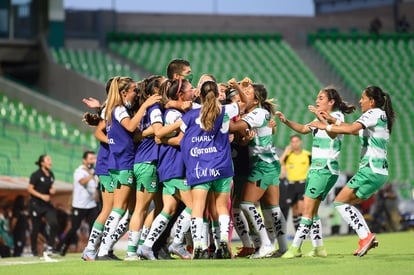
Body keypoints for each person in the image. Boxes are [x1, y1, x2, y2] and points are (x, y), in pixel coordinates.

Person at [308, 85, 395, 257]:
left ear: (372, 101)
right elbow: (354, 130)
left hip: (370, 168)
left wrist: (326, 126)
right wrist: (332, 120)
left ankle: (366, 236)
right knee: (346, 203)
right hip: (379, 170)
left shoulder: (372, 113)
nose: (360, 101)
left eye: (363, 98)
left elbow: (351, 129)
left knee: (340, 202)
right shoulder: (381, 116)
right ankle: (366, 237)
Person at [276, 87, 356, 258]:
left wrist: (321, 118)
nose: (317, 100)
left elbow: (333, 134)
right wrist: (286, 121)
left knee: (306, 209)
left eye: (321, 98)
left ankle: (295, 248)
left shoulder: (338, 117)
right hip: (318, 169)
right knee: (312, 211)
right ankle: (319, 248)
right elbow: (304, 129)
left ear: (331, 102)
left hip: (324, 168)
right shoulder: (319, 118)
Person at [177, 80, 246, 259]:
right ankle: (223, 240)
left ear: (200, 95)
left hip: (200, 167)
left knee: (198, 207)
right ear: (217, 95)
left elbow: (181, 139)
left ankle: (199, 243)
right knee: (222, 206)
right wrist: (238, 88)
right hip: (222, 165)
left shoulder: (190, 116)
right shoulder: (225, 111)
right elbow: (245, 102)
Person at [96, 76, 161, 260]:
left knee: (121, 209)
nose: (136, 93)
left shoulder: (110, 109)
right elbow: (131, 127)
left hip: (117, 163)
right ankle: (103, 250)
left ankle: (103, 249)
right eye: (134, 90)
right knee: (118, 209)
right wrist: (145, 105)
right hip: (124, 162)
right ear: (124, 92)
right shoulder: (119, 110)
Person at [231, 83, 288, 259]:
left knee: (246, 203)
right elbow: (243, 140)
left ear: (255, 100)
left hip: (262, 165)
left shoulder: (257, 113)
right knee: (272, 208)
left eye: (247, 93)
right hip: (270, 164)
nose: (242, 95)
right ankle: (284, 247)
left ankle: (266, 244)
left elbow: (233, 128)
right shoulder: (258, 113)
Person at [57, 151, 100, 256]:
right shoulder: (79, 171)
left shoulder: (94, 173)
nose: (92, 161)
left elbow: (95, 188)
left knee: (94, 227)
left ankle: (92, 249)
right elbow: (82, 182)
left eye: (94, 158)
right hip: (79, 205)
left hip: (91, 205)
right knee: (74, 227)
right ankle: (62, 247)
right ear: (84, 160)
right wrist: (92, 174)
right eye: (90, 159)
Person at [27, 154, 59, 257]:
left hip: (46, 205)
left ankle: (50, 246)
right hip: (35, 204)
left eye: (51, 160)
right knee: (36, 228)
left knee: (54, 223)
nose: (51, 162)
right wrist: (41, 196)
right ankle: (34, 250)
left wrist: (51, 190)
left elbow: (49, 187)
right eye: (48, 160)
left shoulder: (51, 175)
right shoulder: (36, 175)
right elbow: (30, 189)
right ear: (42, 163)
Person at [279, 135, 311, 230]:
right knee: (295, 210)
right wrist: (285, 152)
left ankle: (302, 231)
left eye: (296, 141)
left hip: (302, 183)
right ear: (291, 143)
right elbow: (279, 163)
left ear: (300, 142)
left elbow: (315, 167)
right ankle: (298, 230)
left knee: (301, 207)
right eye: (293, 142)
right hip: (291, 184)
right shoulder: (288, 155)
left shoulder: (307, 154)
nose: (295, 143)